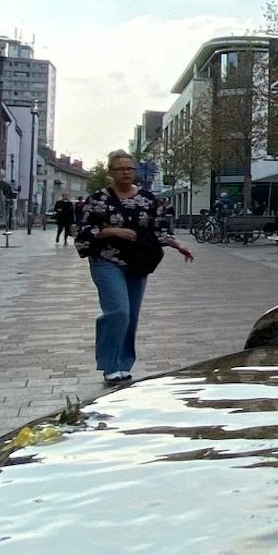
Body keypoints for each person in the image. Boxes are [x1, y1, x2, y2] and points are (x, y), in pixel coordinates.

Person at [76, 150, 193, 385]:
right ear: (111, 172)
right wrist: (112, 231)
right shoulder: (98, 200)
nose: (126, 173)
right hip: (106, 260)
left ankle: (123, 363)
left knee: (131, 316)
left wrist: (177, 245)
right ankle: (110, 364)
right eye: (121, 169)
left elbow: (159, 228)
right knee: (118, 311)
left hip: (138, 263)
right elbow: (82, 231)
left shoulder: (148, 200)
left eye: (130, 168)